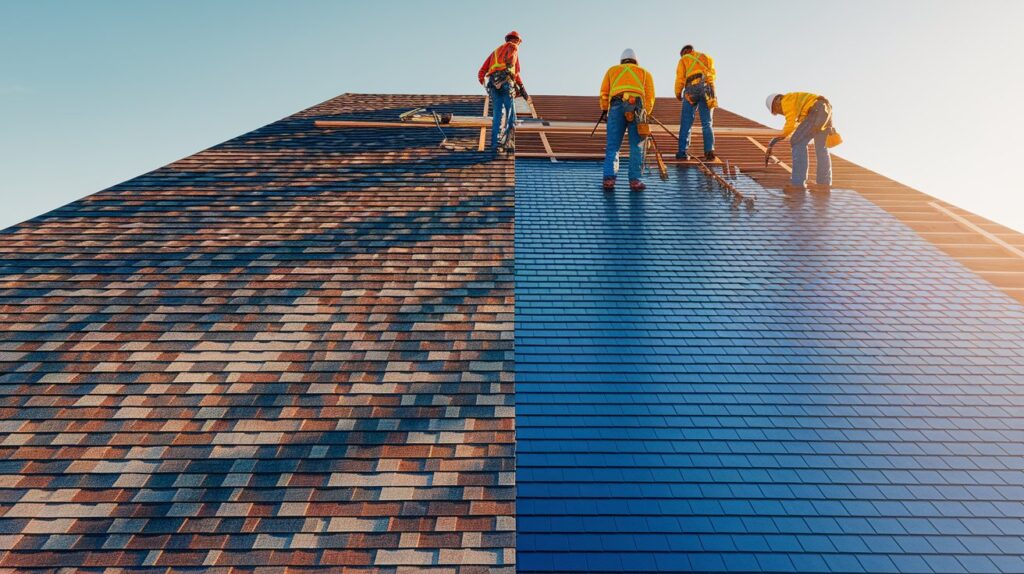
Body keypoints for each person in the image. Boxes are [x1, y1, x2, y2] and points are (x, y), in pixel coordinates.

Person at [599, 48, 655, 191]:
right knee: (636, 146)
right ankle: (635, 181)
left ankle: (609, 179)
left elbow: (604, 92)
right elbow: (649, 97)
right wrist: (645, 113)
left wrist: (605, 108)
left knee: (613, 145)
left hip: (616, 106)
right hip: (637, 107)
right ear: (636, 61)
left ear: (621, 61)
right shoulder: (644, 73)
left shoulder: (612, 71)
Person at [765, 92, 836, 189]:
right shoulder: (795, 102)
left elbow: (790, 125)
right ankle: (824, 183)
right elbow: (796, 127)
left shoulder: (785, 101)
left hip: (816, 110)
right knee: (821, 148)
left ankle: (798, 183)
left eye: (777, 110)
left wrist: (775, 140)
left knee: (797, 141)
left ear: (776, 102)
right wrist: (773, 142)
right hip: (825, 111)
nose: (781, 113)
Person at [478, 31, 528, 152]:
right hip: (506, 84)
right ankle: (508, 143)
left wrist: (487, 85)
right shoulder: (513, 47)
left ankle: (495, 145)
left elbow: (481, 72)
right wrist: (521, 87)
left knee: (497, 116)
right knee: (511, 114)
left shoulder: (494, 53)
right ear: (516, 40)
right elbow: (514, 72)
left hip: (493, 85)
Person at [674, 45, 717, 161]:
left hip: (691, 88)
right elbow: (712, 74)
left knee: (686, 123)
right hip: (707, 88)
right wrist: (712, 93)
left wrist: (678, 92)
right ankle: (709, 151)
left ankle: (682, 152)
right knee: (707, 123)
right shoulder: (706, 57)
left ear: (684, 52)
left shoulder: (684, 60)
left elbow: (680, 78)